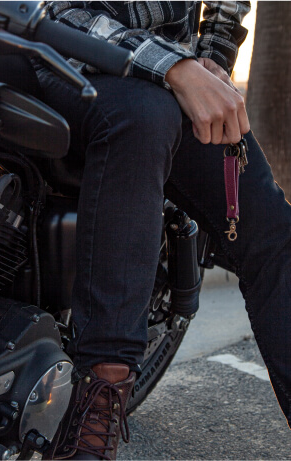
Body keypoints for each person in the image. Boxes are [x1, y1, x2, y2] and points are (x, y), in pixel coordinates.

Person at [36, 2, 291, 460]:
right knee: (144, 115)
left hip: (170, 77)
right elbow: (50, 11)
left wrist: (210, 57)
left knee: (274, 234)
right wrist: (173, 66)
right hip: (57, 58)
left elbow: (228, 5)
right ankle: (100, 403)